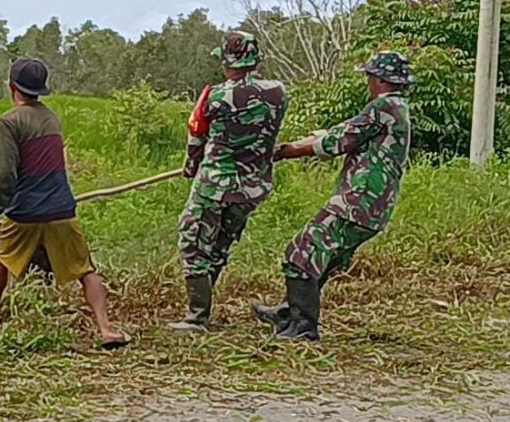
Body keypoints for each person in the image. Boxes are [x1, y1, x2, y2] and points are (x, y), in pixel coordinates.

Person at [254, 51, 413, 341]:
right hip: (373, 204)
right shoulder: (395, 107)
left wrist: (290, 152)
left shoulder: (383, 106)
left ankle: (302, 328)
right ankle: (289, 313)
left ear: (379, 79)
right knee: (322, 258)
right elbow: (343, 130)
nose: (367, 81)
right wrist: (301, 142)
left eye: (369, 76)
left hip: (359, 200)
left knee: (300, 253)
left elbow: (337, 141)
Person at [0, 57, 129, 349]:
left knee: (2, 260)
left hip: (25, 212)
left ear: (12, 87)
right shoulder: (51, 119)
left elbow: (9, 175)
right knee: (86, 270)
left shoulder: (8, 122)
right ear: (40, 90)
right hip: (61, 208)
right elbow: (33, 162)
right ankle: (106, 328)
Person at [167, 31, 287, 332]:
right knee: (220, 245)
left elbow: (196, 135)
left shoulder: (216, 95)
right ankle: (202, 311)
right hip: (252, 188)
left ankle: (197, 317)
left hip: (215, 185)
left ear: (225, 60)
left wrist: (191, 166)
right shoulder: (278, 92)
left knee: (193, 242)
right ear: (255, 59)